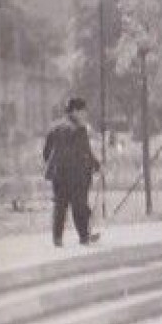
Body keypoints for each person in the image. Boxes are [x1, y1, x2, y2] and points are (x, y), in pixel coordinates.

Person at [42, 96, 102, 247]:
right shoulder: (80, 129)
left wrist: (54, 166)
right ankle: (84, 236)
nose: (85, 114)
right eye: (83, 111)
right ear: (75, 111)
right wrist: (98, 166)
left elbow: (46, 152)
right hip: (75, 174)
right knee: (79, 205)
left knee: (59, 206)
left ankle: (57, 239)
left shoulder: (54, 127)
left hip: (57, 174)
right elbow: (85, 151)